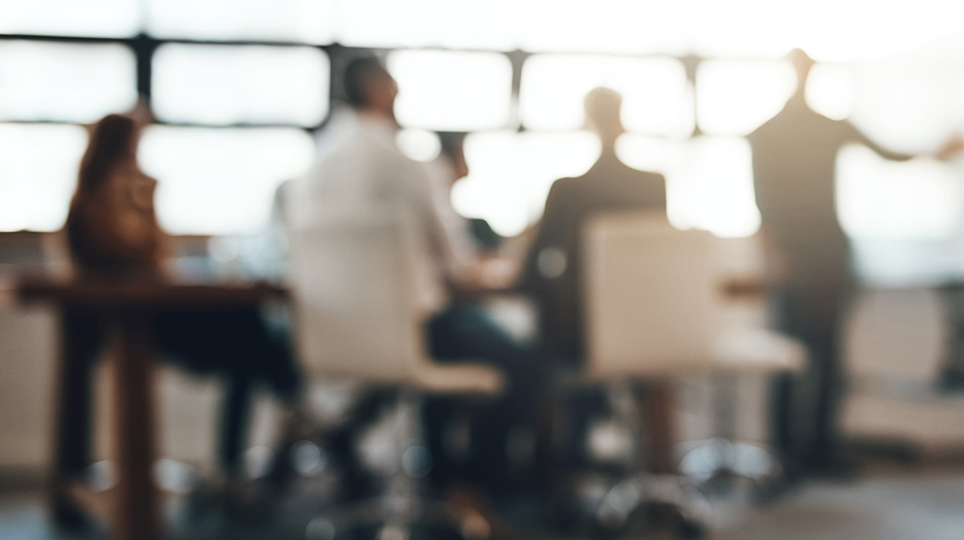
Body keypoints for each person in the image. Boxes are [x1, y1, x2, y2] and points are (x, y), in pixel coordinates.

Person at [287, 56, 544, 491]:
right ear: (377, 88)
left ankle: (438, 477)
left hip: (336, 332)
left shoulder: (314, 166)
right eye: (394, 84)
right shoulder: (400, 161)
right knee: (528, 366)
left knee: (459, 340)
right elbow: (454, 266)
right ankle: (473, 487)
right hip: (411, 328)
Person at [58, 113, 302, 524]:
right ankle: (288, 396)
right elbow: (135, 258)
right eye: (133, 144)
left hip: (154, 308)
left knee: (246, 330)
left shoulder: (127, 192)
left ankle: (239, 460)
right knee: (250, 338)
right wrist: (145, 199)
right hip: (134, 316)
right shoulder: (95, 203)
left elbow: (155, 260)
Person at [747, 48, 964, 474]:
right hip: (791, 258)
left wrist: (937, 154)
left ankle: (822, 449)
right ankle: (784, 453)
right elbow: (763, 201)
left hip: (831, 253)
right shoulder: (766, 132)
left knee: (831, 357)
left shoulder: (829, 126)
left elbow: (889, 154)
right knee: (790, 357)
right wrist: (774, 257)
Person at [519, 87, 670, 470]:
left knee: (535, 349)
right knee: (654, 371)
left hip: (581, 335)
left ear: (588, 121)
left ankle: (549, 471)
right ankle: (663, 473)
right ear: (622, 120)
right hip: (646, 329)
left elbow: (533, 268)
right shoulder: (654, 185)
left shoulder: (567, 189)